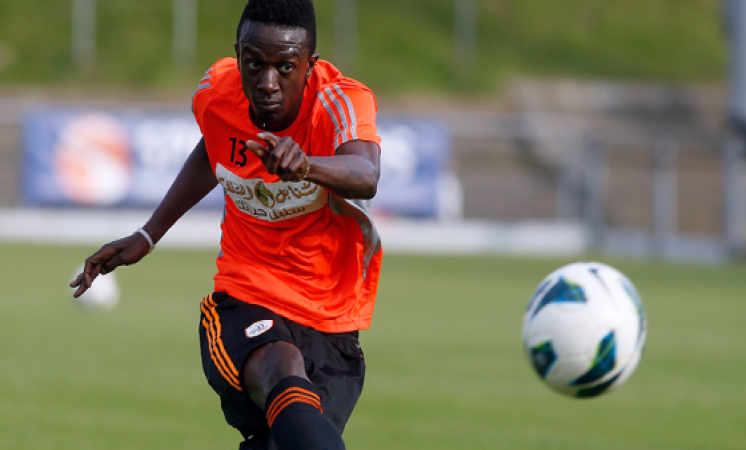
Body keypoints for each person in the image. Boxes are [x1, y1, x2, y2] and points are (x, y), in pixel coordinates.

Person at [69, 1, 383, 449]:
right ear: (237, 54)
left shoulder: (341, 102)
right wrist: (148, 234)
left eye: (285, 68)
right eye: (253, 64)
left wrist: (306, 165)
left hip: (330, 317)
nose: (267, 83)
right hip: (244, 296)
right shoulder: (216, 90)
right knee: (280, 367)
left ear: (310, 65)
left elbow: (366, 173)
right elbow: (213, 147)